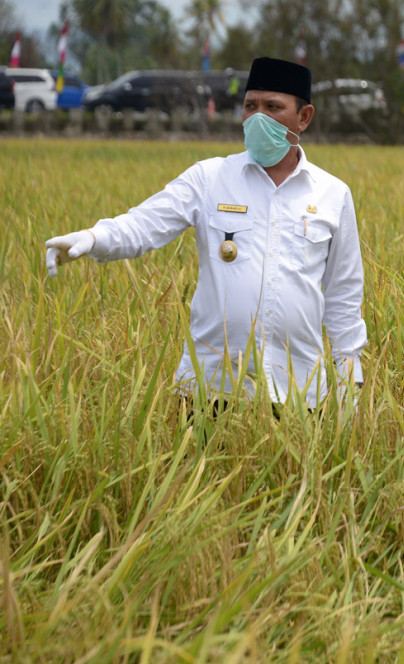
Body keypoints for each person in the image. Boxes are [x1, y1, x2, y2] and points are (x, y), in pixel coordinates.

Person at [45, 57, 367, 411]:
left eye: (273, 107)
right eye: (250, 106)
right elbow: (143, 224)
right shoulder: (210, 178)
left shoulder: (332, 194)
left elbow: (343, 295)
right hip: (210, 389)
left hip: (298, 393)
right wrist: (93, 238)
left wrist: (349, 383)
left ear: (303, 117)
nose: (258, 118)